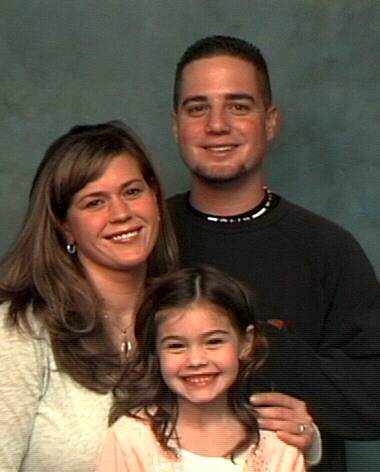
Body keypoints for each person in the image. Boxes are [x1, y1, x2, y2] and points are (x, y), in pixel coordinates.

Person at [167, 35, 380, 472]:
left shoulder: (328, 249)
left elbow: (373, 392)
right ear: (176, 125)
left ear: (271, 121)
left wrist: (311, 415)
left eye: (239, 105)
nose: (217, 124)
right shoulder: (142, 240)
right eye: (198, 107)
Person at [0, 121, 178, 472]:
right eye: (95, 202)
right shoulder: (20, 331)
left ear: (155, 199)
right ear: (65, 226)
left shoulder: (188, 318)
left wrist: (302, 434)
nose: (121, 213)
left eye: (132, 191)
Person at [97, 265, 308, 472]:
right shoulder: (129, 440)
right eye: (177, 346)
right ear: (155, 351)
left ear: (246, 343)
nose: (196, 360)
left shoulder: (278, 444)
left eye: (214, 342)